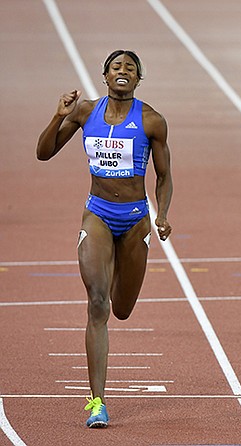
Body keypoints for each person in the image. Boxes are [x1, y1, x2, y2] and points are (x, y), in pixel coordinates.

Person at [36, 50, 173, 427]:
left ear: (139, 78)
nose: (123, 72)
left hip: (134, 221)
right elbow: (43, 153)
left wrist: (162, 214)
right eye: (117, 67)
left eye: (130, 68)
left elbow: (164, 176)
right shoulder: (84, 112)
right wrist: (58, 115)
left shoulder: (151, 121)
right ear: (105, 75)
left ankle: (116, 267)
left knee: (121, 308)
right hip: (97, 214)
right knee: (97, 303)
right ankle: (97, 402)